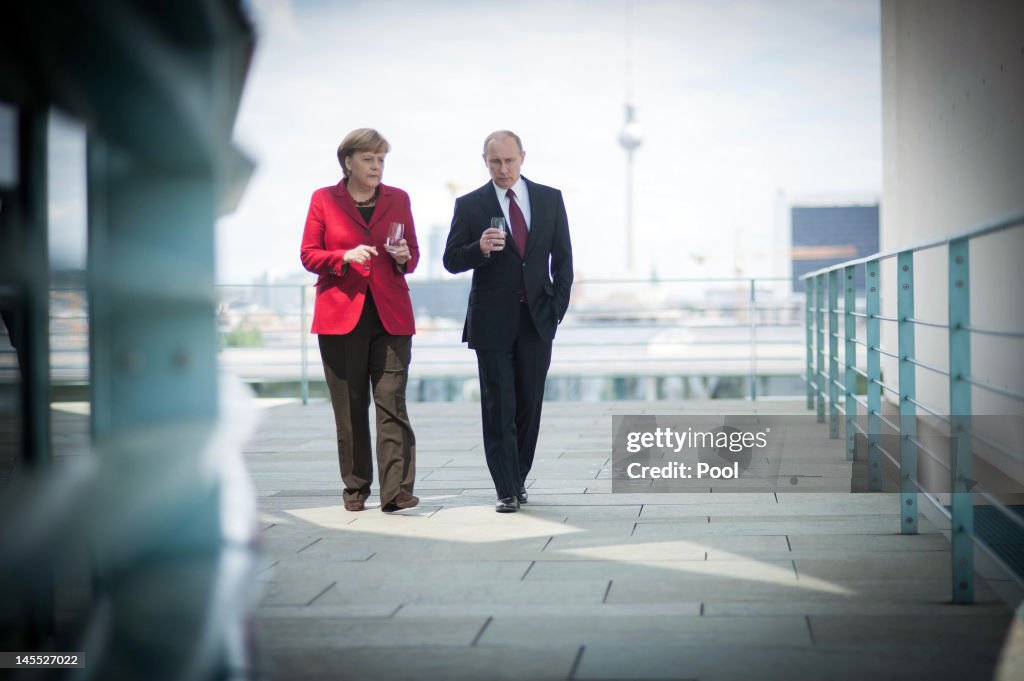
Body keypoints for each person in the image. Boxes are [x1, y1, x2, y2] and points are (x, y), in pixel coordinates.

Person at [443, 130, 574, 513]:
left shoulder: (550, 199)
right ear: (484, 161)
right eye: (495, 161)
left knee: (529, 404)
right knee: (498, 404)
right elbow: (451, 260)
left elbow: (563, 259)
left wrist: (557, 307)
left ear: (522, 158)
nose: (503, 168)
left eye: (509, 160)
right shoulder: (470, 205)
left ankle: (518, 475)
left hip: (537, 319)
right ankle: (506, 488)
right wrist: (478, 249)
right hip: (491, 321)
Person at [300, 128, 419, 513]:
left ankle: (396, 491)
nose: (377, 166)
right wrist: (343, 257)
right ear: (348, 162)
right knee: (350, 410)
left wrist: (402, 254)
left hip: (391, 317)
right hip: (341, 316)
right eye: (369, 158)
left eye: (381, 159)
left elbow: (412, 255)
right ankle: (356, 488)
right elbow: (308, 254)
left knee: (391, 404)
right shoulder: (323, 199)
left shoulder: (399, 199)